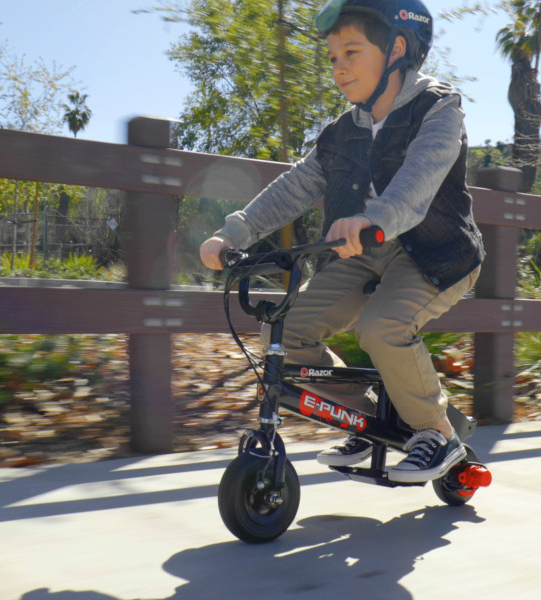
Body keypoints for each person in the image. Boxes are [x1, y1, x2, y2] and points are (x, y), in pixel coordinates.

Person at [199, 0, 484, 484]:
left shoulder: (438, 109)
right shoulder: (341, 132)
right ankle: (369, 419)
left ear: (396, 48)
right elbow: (296, 186)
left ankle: (436, 431)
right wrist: (235, 231)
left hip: (434, 253)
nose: (340, 67)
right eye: (333, 57)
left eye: (352, 51)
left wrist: (372, 218)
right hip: (362, 252)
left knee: (381, 326)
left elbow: (418, 181)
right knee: (282, 333)